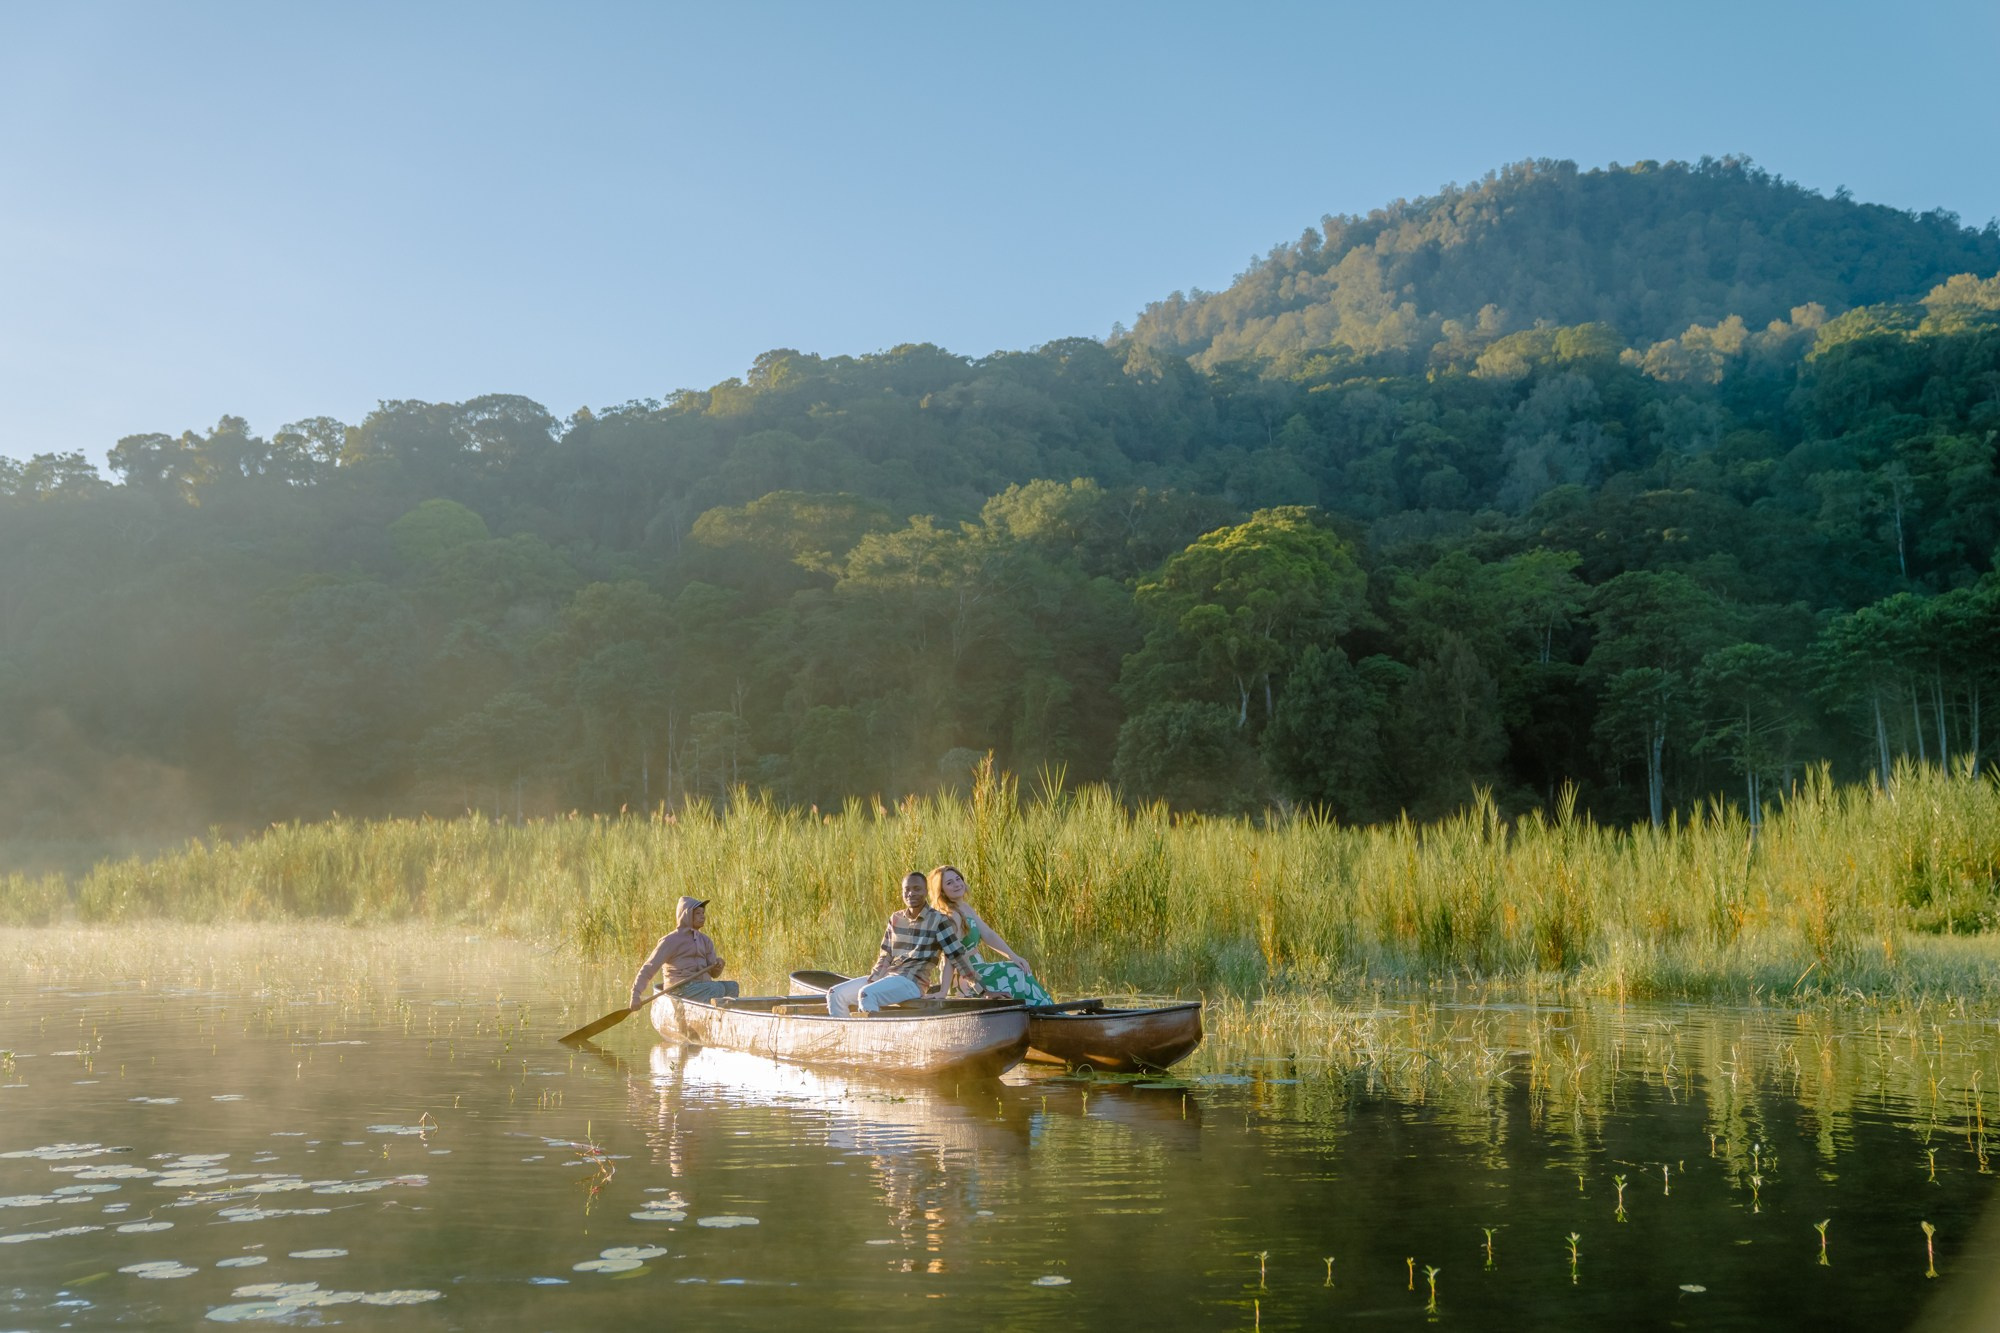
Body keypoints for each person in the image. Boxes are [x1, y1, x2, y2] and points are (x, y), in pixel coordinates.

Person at [826, 872, 989, 1016]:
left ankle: (875, 1045)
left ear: (926, 892)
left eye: (917, 889)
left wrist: (983, 990)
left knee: (867, 994)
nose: (911, 893)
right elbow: (885, 955)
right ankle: (847, 1039)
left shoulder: (939, 920)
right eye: (907, 889)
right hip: (889, 976)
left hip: (913, 982)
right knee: (835, 993)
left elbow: (957, 957)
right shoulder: (896, 919)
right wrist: (875, 978)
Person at [928, 864, 1053, 1005]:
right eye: (949, 883)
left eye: (958, 879)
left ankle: (1042, 1011)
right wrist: (943, 991)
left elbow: (988, 934)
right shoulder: (951, 916)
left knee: (1020, 967)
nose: (957, 884)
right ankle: (1042, 1011)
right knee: (1014, 971)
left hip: (979, 968)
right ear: (941, 891)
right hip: (964, 976)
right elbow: (952, 956)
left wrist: (1013, 956)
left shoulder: (965, 908)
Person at [629, 896, 739, 1008]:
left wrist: (719, 965)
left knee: (733, 986)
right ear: (686, 915)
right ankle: (709, 1015)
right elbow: (649, 968)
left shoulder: (706, 941)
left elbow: (714, 974)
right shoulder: (670, 940)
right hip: (679, 989)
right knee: (717, 988)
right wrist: (635, 995)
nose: (703, 917)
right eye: (698, 913)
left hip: (703, 987)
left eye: (703, 913)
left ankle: (720, 1017)